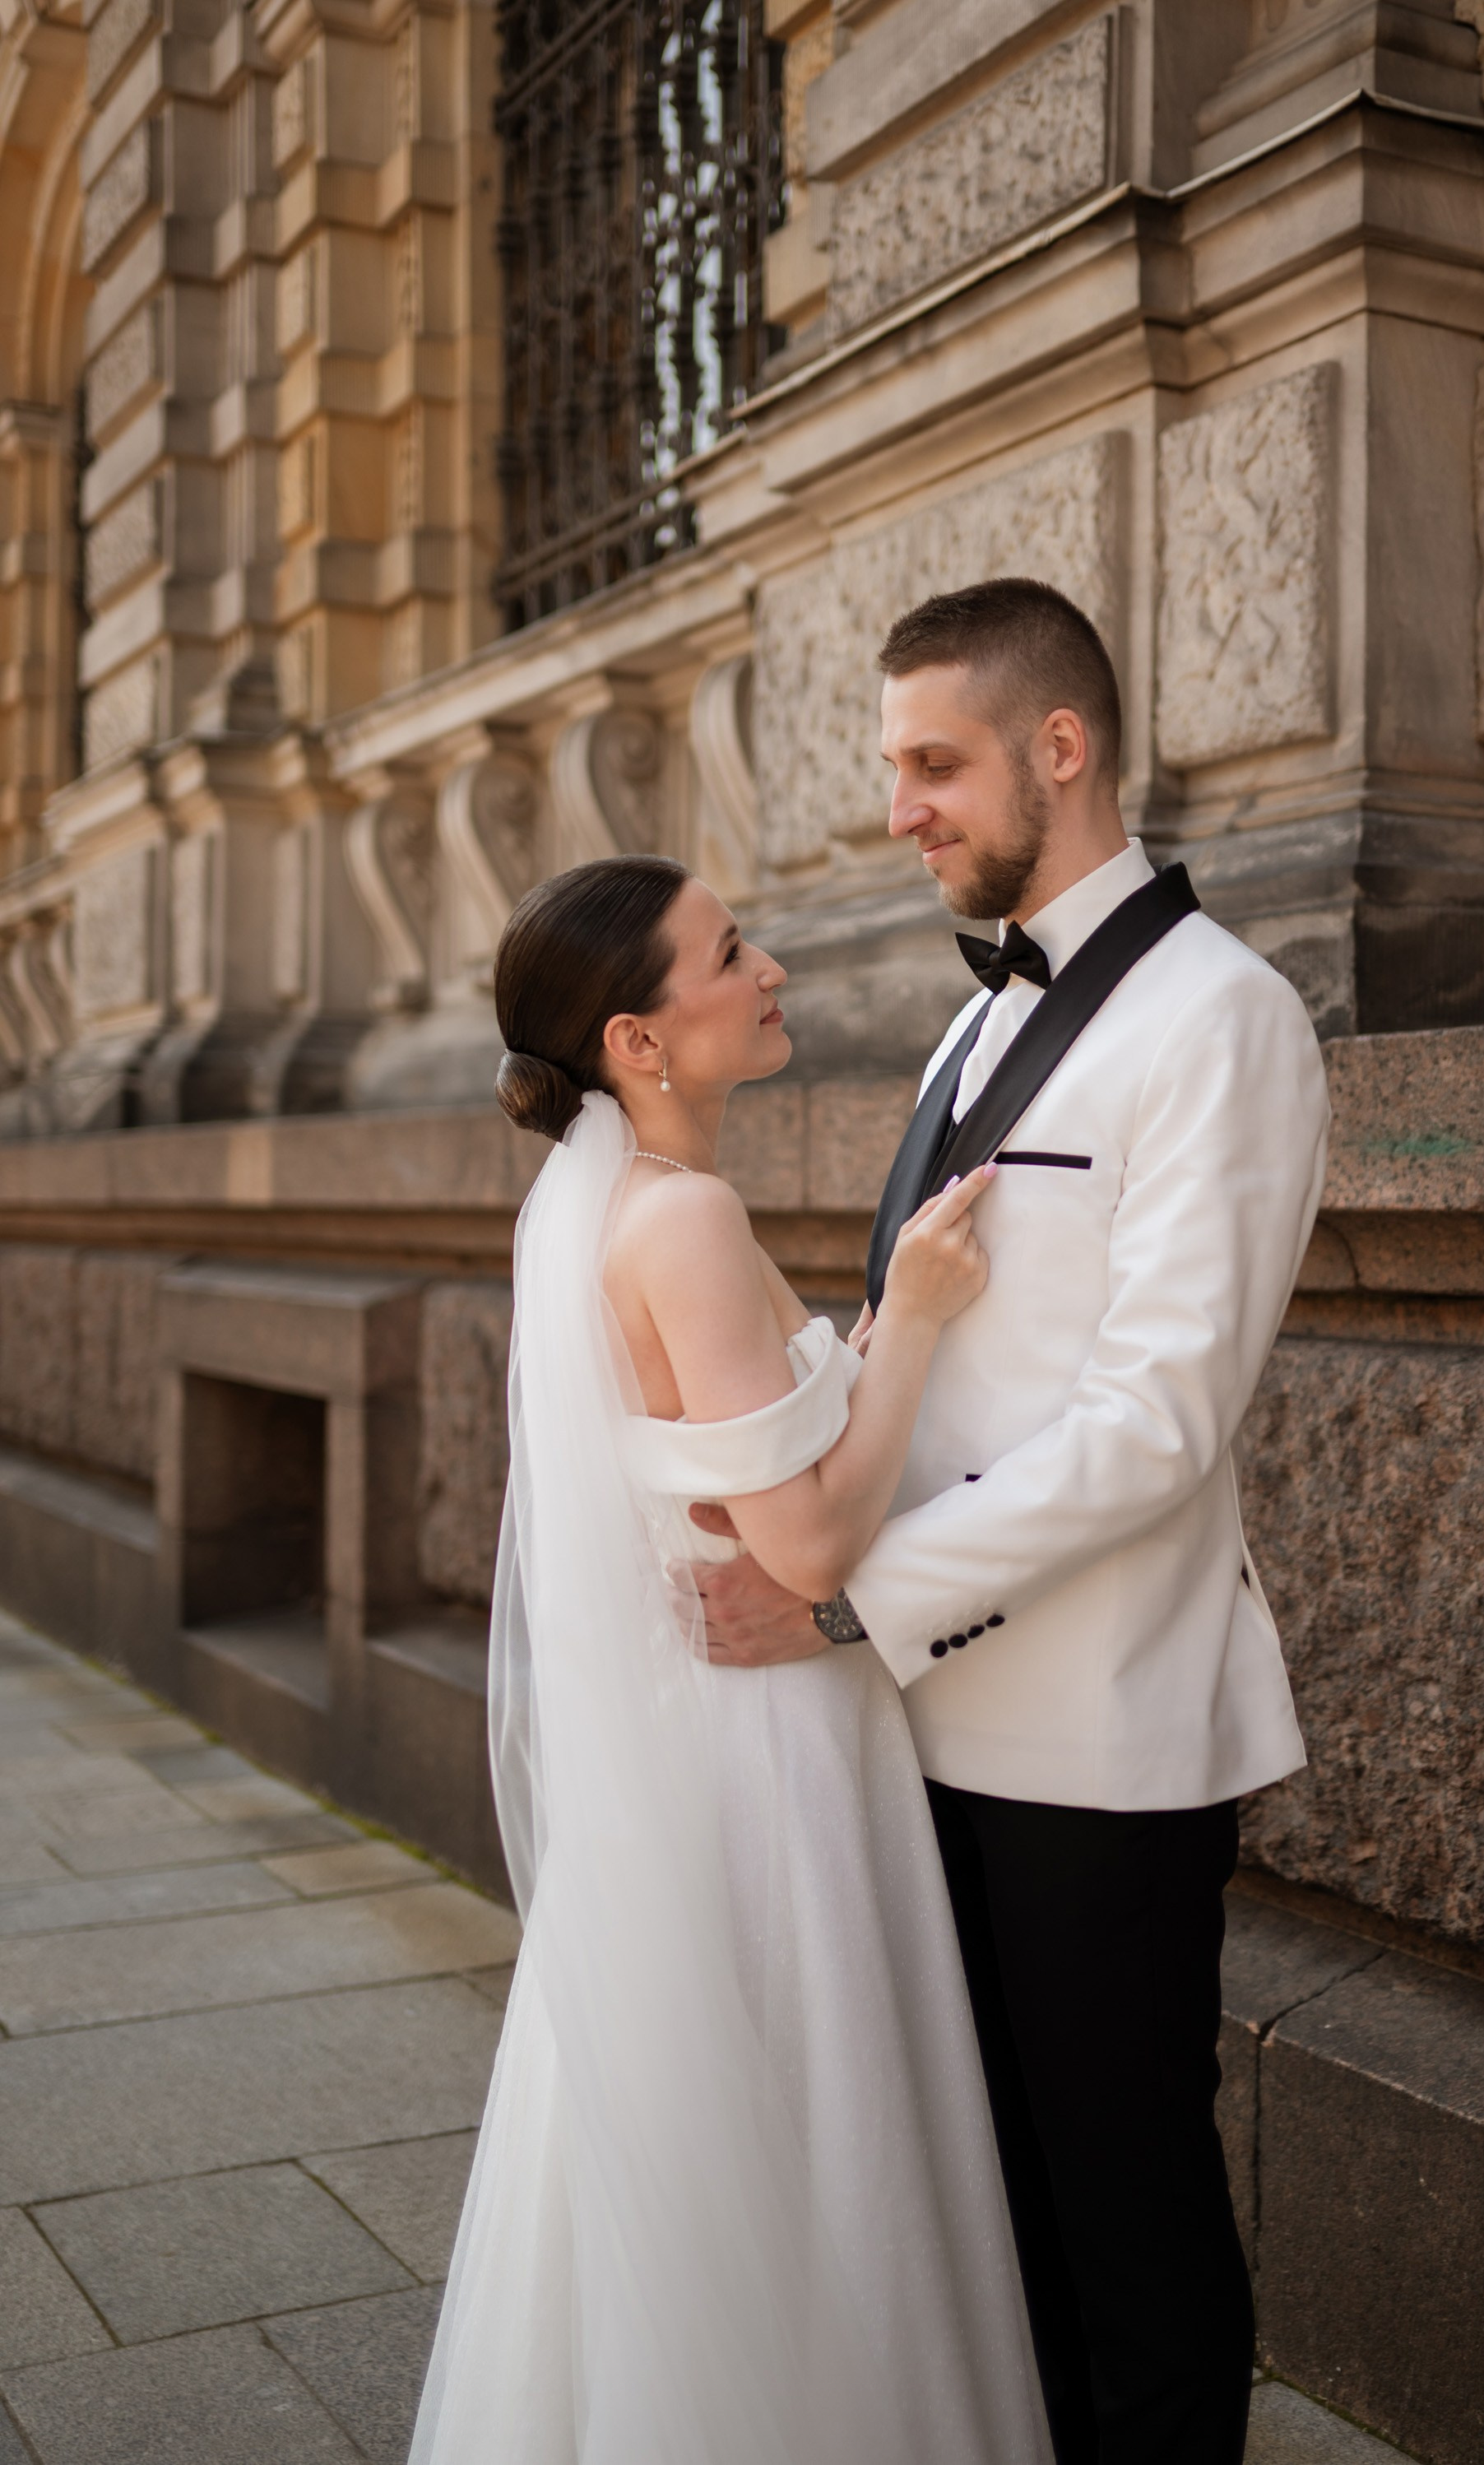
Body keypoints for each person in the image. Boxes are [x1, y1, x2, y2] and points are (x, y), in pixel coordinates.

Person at [684, 578, 1332, 2464]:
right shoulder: (970, 1033)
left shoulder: (1226, 1019)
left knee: (1129, 2240)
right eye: (894, 768)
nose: (899, 809)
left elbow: (1154, 1425)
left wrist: (841, 1600)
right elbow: (921, 1348)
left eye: (933, 765)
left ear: (1062, 746)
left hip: (1095, 1745)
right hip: (919, 1734)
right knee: (999, 2237)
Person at [409, 853, 1053, 2465]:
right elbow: (809, 1546)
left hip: (704, 1734)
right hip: (768, 1752)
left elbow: (760, 1458)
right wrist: (917, 1315)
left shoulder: (617, 1205)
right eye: (729, 951)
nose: (770, 969)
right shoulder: (682, 1219)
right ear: (638, 1039)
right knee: (822, 2150)